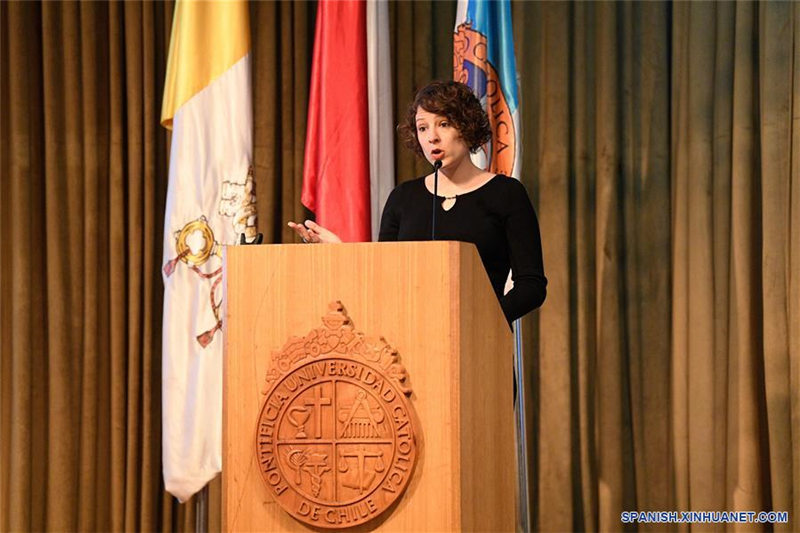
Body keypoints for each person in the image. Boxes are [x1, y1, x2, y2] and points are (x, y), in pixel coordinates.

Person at [289, 80, 546, 324]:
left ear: (467, 127)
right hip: (410, 350)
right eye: (423, 128)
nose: (432, 137)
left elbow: (531, 285)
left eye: (443, 124)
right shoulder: (403, 198)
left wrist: (483, 320)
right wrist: (342, 253)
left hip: (479, 346)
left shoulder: (506, 194)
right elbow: (383, 281)